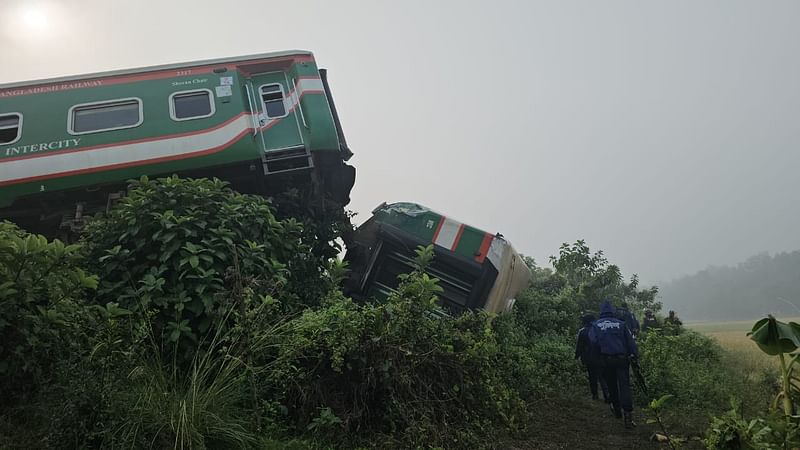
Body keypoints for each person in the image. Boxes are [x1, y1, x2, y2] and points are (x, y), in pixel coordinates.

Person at [589, 300, 639, 429]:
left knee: (611, 386)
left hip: (606, 360)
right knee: (624, 386)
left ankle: (617, 411)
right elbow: (631, 342)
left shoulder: (596, 325)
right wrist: (634, 355)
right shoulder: (621, 324)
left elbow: (593, 342)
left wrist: (597, 360)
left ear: (601, 312)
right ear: (613, 311)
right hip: (622, 360)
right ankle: (628, 417)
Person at [575, 313, 610, 402]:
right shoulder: (600, 329)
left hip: (589, 358)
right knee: (603, 376)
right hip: (601, 356)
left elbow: (579, 346)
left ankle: (595, 395)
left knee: (592, 377)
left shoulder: (582, 331)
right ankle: (607, 396)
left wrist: (577, 357)